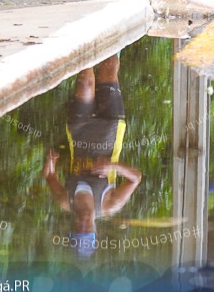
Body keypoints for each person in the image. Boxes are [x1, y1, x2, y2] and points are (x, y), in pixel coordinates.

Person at [42, 55, 142, 258]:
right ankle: (112, 30)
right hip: (111, 129)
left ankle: (87, 39)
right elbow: (135, 178)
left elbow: (49, 177)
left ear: (73, 227)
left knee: (86, 80)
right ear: (95, 230)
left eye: (79, 227)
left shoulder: (65, 200)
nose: (83, 222)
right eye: (87, 228)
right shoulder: (109, 205)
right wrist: (112, 166)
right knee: (109, 68)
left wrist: (50, 163)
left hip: (80, 131)